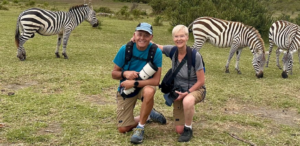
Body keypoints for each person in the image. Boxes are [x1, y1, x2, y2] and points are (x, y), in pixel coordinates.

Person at [111, 22, 166, 144]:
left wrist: (134, 83)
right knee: (122, 129)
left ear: (151, 37)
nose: (142, 38)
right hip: (126, 89)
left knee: (149, 90)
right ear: (134, 35)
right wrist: (125, 74)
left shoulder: (155, 52)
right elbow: (114, 74)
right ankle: (149, 116)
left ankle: (140, 127)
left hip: (142, 86)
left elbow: (156, 81)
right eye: (139, 34)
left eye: (146, 35)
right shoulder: (125, 49)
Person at [155, 25, 206, 142]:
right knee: (178, 130)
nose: (179, 39)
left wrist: (187, 93)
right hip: (178, 91)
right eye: (176, 36)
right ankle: (185, 119)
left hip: (195, 89)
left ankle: (188, 129)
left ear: (187, 37)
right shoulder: (172, 51)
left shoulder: (195, 56)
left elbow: (201, 81)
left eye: (182, 36)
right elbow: (157, 47)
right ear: (173, 38)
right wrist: (139, 38)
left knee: (188, 100)